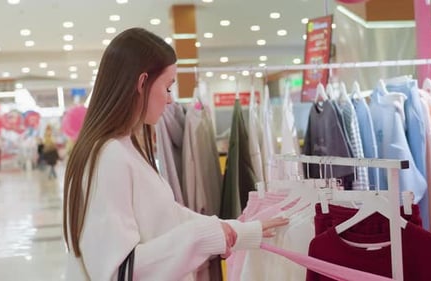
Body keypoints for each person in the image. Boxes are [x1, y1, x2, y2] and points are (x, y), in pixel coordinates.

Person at [63, 27, 289, 281]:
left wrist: (239, 231)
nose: (170, 100)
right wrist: (205, 236)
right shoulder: (109, 155)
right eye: (168, 87)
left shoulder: (122, 148)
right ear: (141, 83)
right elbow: (120, 271)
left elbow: (169, 216)